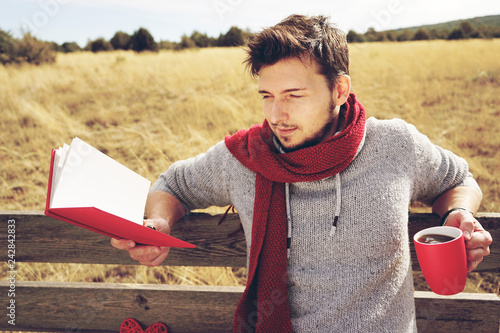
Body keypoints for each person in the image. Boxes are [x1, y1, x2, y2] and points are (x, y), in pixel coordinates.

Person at [111, 14, 492, 332]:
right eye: (267, 96)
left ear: (339, 90)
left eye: (294, 96)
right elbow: (173, 184)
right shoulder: (245, 157)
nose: (277, 115)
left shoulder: (394, 144)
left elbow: (458, 180)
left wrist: (457, 214)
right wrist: (159, 220)